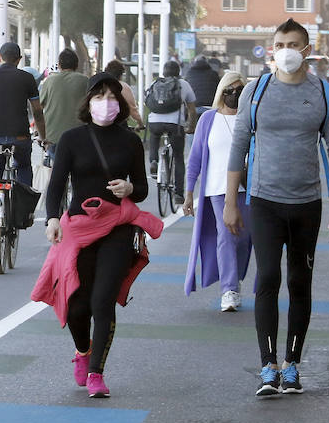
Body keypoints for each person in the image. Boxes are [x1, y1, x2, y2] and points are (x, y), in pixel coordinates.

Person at [224, 18, 329, 397]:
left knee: (299, 282)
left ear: (307, 50)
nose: (286, 51)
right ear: (272, 49)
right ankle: (269, 367)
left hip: (307, 204)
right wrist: (231, 202)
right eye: (280, 44)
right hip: (263, 201)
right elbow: (238, 147)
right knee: (267, 280)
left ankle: (292, 365)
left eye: (293, 44)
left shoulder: (324, 93)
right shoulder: (255, 91)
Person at [33, 73, 158, 398]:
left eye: (113, 97)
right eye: (99, 96)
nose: (107, 103)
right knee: (77, 305)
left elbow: (142, 189)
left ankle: (96, 374)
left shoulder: (130, 141)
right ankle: (83, 350)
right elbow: (57, 183)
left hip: (117, 228)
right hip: (78, 226)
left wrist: (130, 188)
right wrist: (51, 220)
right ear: (88, 102)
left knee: (103, 301)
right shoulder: (73, 139)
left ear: (121, 104)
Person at [183, 73, 251, 313]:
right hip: (216, 190)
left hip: (247, 188)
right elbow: (196, 158)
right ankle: (229, 289)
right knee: (226, 236)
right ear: (221, 93)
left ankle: (234, 279)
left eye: (240, 89)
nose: (235, 94)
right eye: (230, 90)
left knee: (243, 238)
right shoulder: (208, 119)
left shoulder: (250, 118)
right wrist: (189, 192)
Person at [0, 42, 47, 251]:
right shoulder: (27, 78)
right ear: (19, 60)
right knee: (23, 167)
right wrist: (42, 137)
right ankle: (24, 212)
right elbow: (37, 111)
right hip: (20, 137)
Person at [145, 60, 198, 206]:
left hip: (155, 122)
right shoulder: (183, 84)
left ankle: (154, 161)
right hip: (175, 124)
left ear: (163, 72)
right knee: (179, 156)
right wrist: (190, 126)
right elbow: (192, 109)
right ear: (178, 72)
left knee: (155, 136)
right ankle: (179, 194)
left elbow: (147, 101)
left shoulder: (154, 83)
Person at [38, 49, 90, 160]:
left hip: (53, 137)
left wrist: (41, 135)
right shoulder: (85, 81)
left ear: (59, 65)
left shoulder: (49, 81)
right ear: (76, 65)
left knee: (57, 169)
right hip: (79, 136)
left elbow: (39, 108)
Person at [103, 59, 143, 127]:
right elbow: (132, 110)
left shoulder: (101, 85)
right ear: (120, 74)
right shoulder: (123, 87)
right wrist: (140, 124)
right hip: (118, 124)